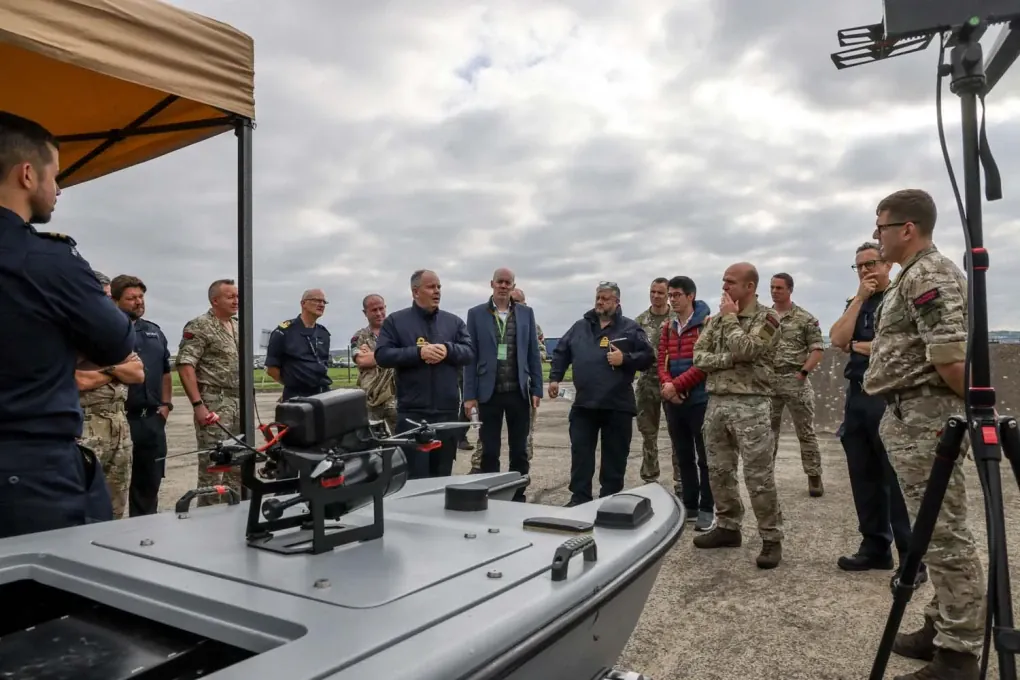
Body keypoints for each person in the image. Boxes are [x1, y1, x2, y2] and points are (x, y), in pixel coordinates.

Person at [863, 189, 983, 680]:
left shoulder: (929, 275)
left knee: (946, 535)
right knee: (930, 533)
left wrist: (973, 413)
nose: (878, 237)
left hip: (928, 418)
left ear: (907, 229)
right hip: (911, 416)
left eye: (881, 227)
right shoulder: (912, 275)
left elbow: (952, 360)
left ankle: (959, 653)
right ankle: (941, 625)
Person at [0, 111, 134, 538]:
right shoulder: (47, 259)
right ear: (26, 174)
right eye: (55, 175)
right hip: (28, 471)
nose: (58, 189)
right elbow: (116, 342)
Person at [828, 244, 927, 583]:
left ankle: (912, 560)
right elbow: (837, 338)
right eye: (858, 266)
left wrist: (856, 345)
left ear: (887, 264)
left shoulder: (900, 297)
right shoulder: (857, 302)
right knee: (864, 476)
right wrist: (858, 299)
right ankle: (875, 547)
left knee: (897, 481)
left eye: (871, 263)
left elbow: (896, 347)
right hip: (857, 396)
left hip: (888, 396)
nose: (865, 271)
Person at [692, 262, 784, 569]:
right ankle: (728, 527)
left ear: (749, 286)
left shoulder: (767, 318)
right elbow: (698, 356)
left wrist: (731, 319)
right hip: (717, 403)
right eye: (723, 282)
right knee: (719, 471)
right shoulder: (717, 320)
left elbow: (748, 349)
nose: (724, 288)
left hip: (752, 405)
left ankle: (771, 537)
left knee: (758, 476)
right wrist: (729, 359)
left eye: (730, 282)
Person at [548, 282, 654, 506]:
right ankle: (580, 499)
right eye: (598, 297)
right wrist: (555, 377)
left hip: (617, 405)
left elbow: (648, 357)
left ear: (617, 302)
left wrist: (625, 359)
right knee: (581, 454)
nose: (600, 302)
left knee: (615, 457)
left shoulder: (630, 329)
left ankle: (609, 500)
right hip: (584, 404)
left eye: (605, 298)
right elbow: (561, 352)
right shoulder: (580, 327)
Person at [375, 269, 474, 478]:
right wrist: (418, 353)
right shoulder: (396, 321)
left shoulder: (453, 322)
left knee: (442, 474)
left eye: (439, 287)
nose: (437, 291)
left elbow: (469, 352)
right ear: (415, 292)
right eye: (431, 287)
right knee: (415, 477)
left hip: (446, 412)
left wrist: (448, 350)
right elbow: (382, 355)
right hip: (412, 413)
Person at [463, 268, 543, 500]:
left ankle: (518, 494)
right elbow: (470, 358)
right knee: (489, 450)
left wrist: (537, 388)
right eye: (500, 282)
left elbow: (533, 354)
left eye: (508, 282)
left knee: (519, 450)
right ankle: (493, 494)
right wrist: (469, 396)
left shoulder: (526, 314)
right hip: (489, 393)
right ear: (492, 284)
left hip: (518, 392)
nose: (503, 286)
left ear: (513, 286)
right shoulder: (476, 314)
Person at [175, 279, 242, 506]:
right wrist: (198, 405)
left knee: (238, 463)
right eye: (230, 297)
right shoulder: (200, 326)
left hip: (239, 401)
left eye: (237, 296)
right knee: (214, 465)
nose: (236, 301)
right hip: (215, 401)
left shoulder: (238, 325)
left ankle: (235, 512)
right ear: (215, 300)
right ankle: (208, 516)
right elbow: (185, 365)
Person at [111, 274, 174, 516]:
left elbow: (166, 372)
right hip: (120, 419)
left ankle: (146, 532)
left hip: (151, 421)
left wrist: (165, 405)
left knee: (148, 485)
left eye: (141, 297)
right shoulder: (107, 332)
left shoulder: (154, 332)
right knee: (112, 490)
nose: (138, 302)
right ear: (115, 300)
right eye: (131, 298)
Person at [657, 275, 713, 531]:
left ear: (691, 296)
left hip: (700, 400)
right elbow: (661, 361)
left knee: (705, 458)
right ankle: (689, 505)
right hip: (674, 402)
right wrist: (668, 387)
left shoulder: (706, 325)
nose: (672, 300)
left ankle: (707, 508)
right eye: (670, 295)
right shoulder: (668, 327)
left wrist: (676, 386)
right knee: (683, 455)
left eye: (677, 295)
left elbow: (703, 364)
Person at [768, 272, 825, 497]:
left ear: (790, 290)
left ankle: (814, 475)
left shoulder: (805, 319)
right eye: (772, 287)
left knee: (806, 432)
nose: (775, 291)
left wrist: (803, 373)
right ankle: (766, 477)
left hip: (795, 381)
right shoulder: (765, 317)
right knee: (768, 434)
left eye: (779, 288)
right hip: (769, 382)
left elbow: (817, 349)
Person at [634, 277, 673, 484]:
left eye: (660, 293)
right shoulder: (640, 322)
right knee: (648, 433)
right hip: (647, 382)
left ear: (668, 295)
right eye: (653, 292)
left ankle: (681, 481)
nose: (656, 296)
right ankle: (650, 477)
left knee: (678, 433)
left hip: (672, 382)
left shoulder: (677, 319)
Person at [265, 288, 333, 401]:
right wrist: (291, 384)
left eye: (324, 302)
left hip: (322, 394)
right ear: (303, 303)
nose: (321, 304)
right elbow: (272, 369)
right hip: (297, 396)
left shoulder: (323, 333)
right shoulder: (284, 332)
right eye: (317, 300)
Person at [352, 293, 398, 434]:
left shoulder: (396, 334)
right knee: (372, 438)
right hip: (371, 398)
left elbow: (405, 356)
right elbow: (362, 361)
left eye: (381, 308)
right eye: (373, 310)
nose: (378, 313)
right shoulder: (359, 336)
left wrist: (373, 354)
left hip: (396, 397)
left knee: (402, 438)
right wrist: (393, 354)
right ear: (365, 312)